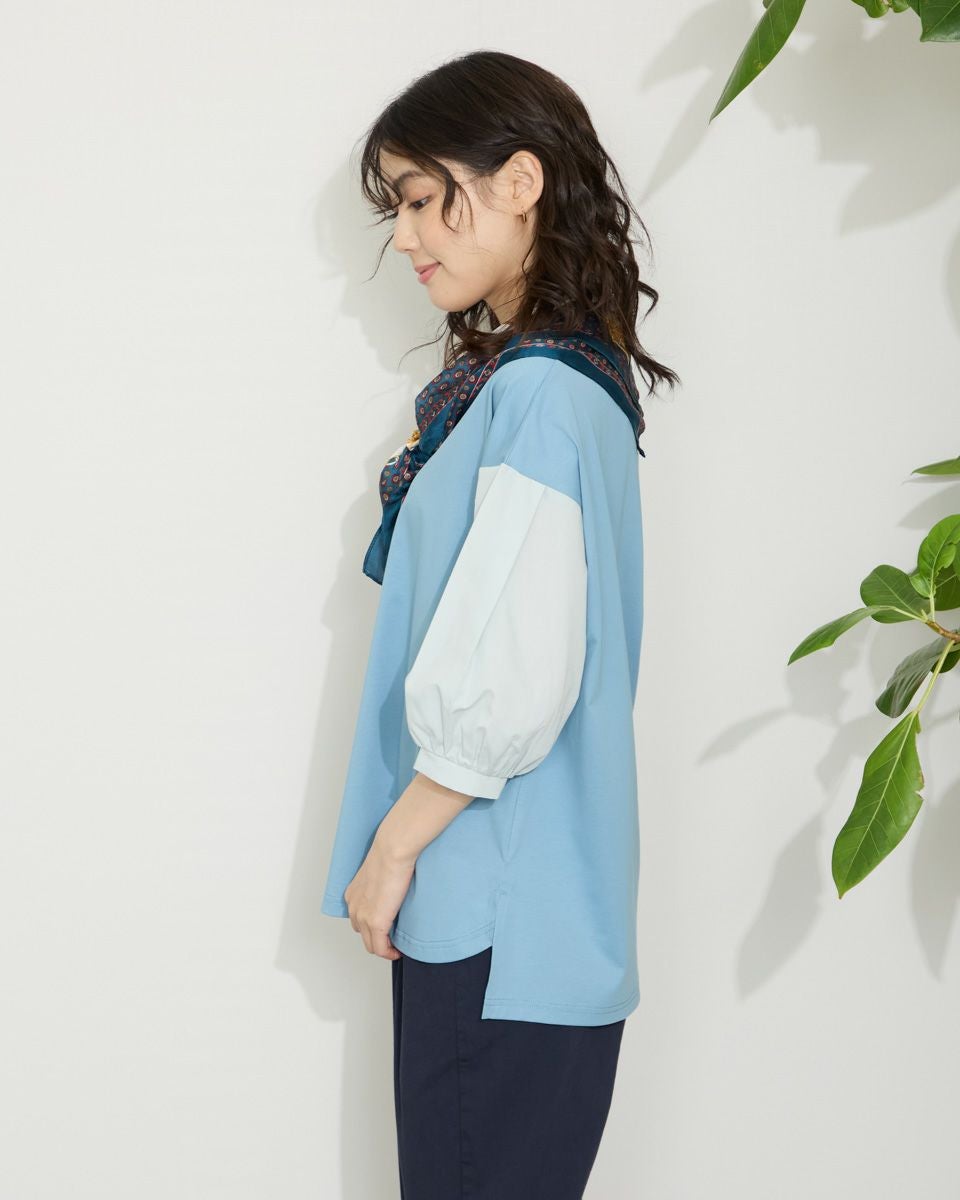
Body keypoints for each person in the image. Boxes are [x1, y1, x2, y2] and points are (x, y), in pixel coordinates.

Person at [320, 49, 680, 1200]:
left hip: (494, 919)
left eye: (426, 198)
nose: (406, 237)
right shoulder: (569, 385)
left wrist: (393, 849)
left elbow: (517, 674)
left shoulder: (535, 397)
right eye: (398, 208)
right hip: (522, 917)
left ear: (521, 181)